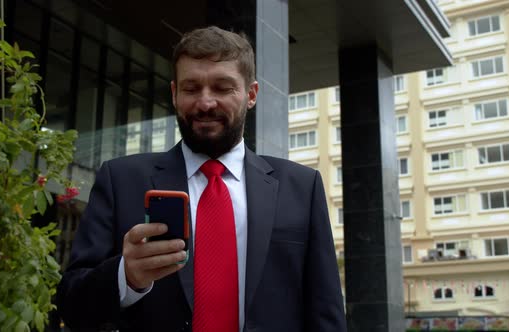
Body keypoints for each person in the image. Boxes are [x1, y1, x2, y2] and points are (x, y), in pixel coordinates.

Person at [57, 26, 346, 332]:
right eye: (192, 89)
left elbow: (325, 312)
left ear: (251, 94)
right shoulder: (120, 180)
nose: (206, 103)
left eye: (222, 88)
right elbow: (73, 305)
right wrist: (125, 276)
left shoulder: (302, 187)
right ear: (174, 93)